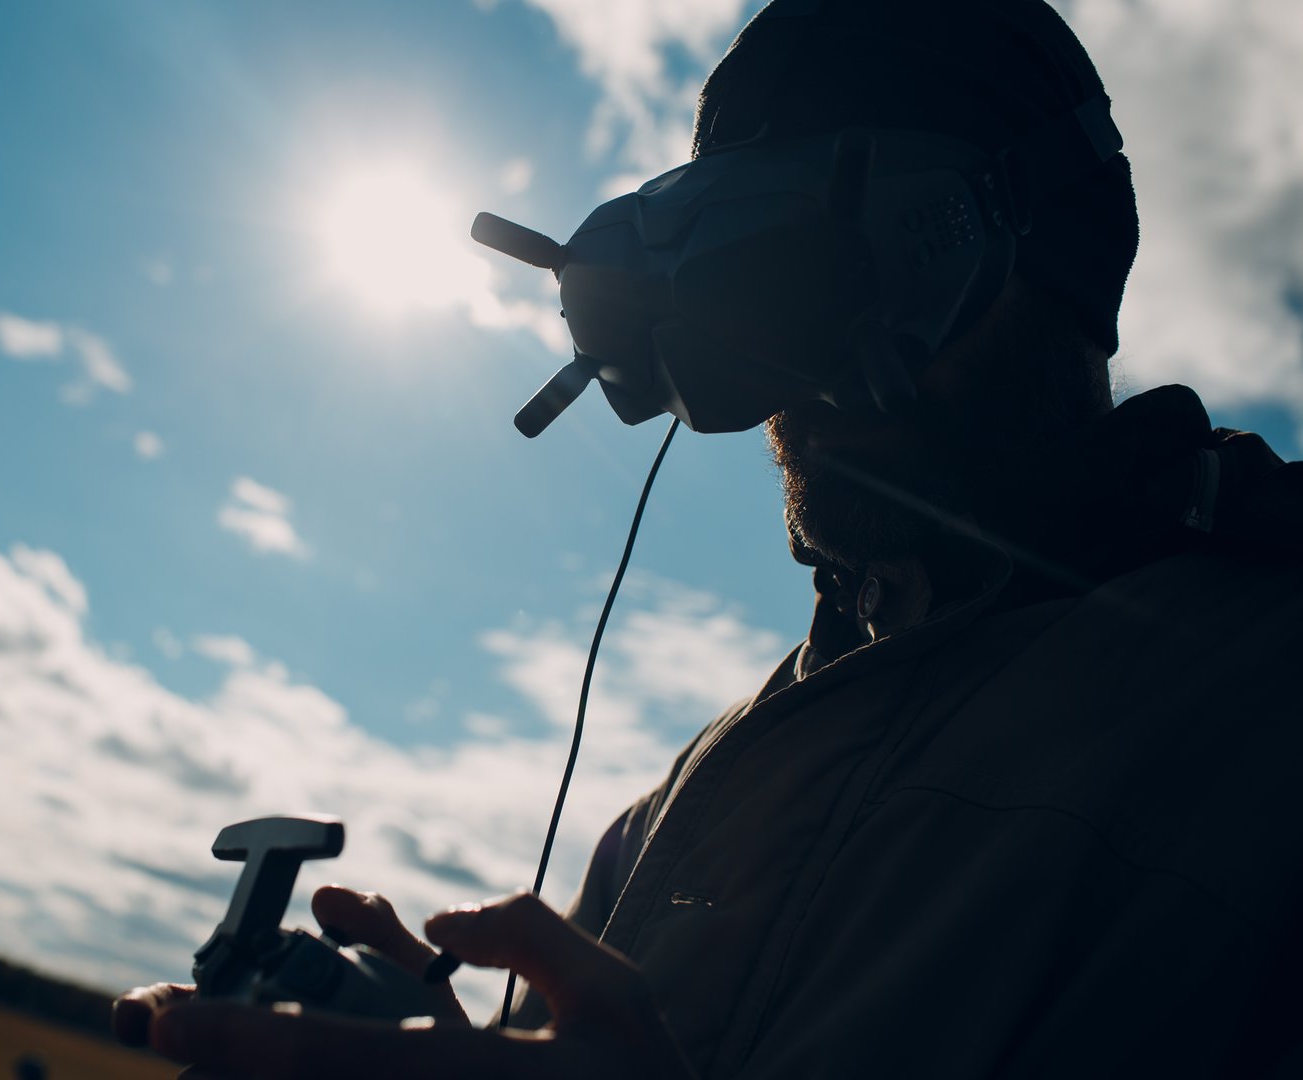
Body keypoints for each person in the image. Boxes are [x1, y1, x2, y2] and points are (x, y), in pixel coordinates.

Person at [113, 0, 1303, 1075]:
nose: (816, 380)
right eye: (755, 301)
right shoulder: (693, 794)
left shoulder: (1262, 709)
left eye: (862, 276)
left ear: (1069, 249)